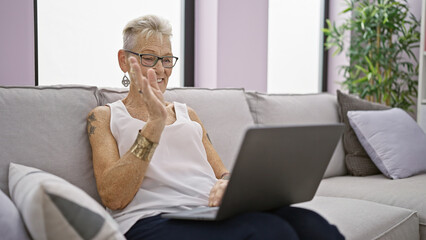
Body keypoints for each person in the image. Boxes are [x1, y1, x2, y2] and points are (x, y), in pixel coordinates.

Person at [87, 15, 344, 240]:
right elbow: (114, 197)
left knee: (314, 225)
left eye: (167, 60)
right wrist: (155, 123)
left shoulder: (189, 114)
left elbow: (222, 172)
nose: (160, 69)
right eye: (149, 58)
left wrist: (227, 185)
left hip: (206, 211)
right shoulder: (103, 117)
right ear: (124, 61)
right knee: (270, 231)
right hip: (151, 219)